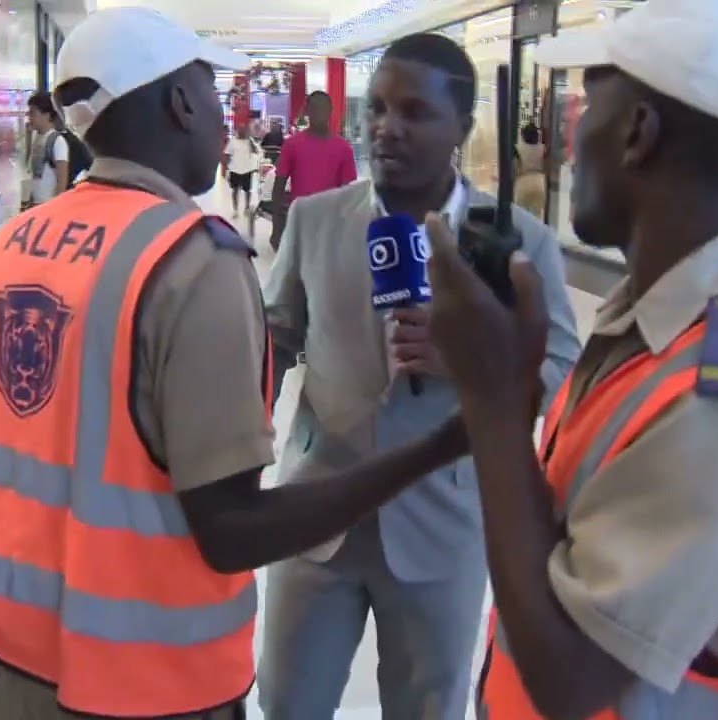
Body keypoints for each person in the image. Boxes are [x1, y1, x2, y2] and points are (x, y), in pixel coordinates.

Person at [0, 8, 472, 719]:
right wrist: (433, 450)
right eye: (210, 95)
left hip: (15, 662)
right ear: (180, 102)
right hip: (150, 681)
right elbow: (231, 530)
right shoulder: (189, 261)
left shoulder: (1, 249)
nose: (223, 122)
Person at [428, 1, 718, 718]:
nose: (570, 141)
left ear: (637, 133)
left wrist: (494, 402)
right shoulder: (656, 328)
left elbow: (570, 679)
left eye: (588, 108)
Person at [258, 32, 580, 720]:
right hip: (319, 517)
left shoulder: (519, 241)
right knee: (288, 703)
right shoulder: (316, 221)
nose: (385, 128)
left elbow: (563, 369)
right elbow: (277, 336)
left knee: (426, 709)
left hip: (443, 525)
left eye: (413, 112)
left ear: (461, 128)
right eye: (376, 108)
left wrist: (473, 368)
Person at [269, 92, 356, 249]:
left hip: (331, 226)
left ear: (330, 111)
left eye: (323, 109)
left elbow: (348, 194)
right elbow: (279, 186)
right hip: (300, 222)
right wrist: (277, 227)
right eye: (314, 109)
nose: (319, 114)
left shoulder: (344, 149)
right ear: (307, 111)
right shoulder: (292, 145)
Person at [26, 91, 72, 203]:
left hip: (48, 204)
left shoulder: (57, 141)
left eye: (33, 113)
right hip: (36, 204)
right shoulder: (37, 137)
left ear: (47, 115)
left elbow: (62, 179)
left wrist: (55, 207)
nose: (29, 117)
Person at [223, 123, 262, 219]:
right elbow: (227, 154)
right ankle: (235, 210)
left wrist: (250, 141)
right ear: (237, 131)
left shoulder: (249, 141)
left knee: (247, 190)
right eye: (240, 130)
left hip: (247, 169)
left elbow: (256, 151)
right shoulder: (232, 141)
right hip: (235, 169)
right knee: (235, 190)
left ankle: (247, 207)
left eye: (243, 130)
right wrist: (226, 168)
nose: (242, 132)